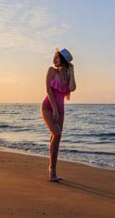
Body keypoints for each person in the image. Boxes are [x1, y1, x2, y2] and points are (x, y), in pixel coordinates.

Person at [41, 48, 76, 182]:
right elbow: (48, 90)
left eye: (56, 57)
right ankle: (52, 171)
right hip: (48, 107)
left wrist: (72, 72)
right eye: (54, 57)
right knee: (57, 134)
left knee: (56, 138)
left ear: (63, 60)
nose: (53, 60)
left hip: (60, 111)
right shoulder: (51, 71)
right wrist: (54, 109)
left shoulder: (67, 76)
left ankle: (53, 170)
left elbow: (72, 88)